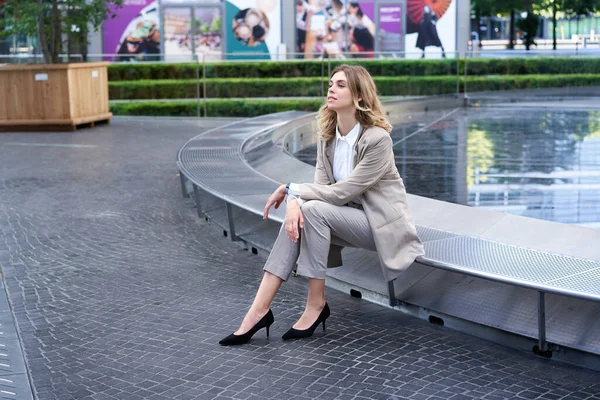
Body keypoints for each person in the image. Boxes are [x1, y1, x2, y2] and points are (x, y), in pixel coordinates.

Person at [219, 65, 424, 346]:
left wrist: (293, 191)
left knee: (312, 210)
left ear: (360, 97)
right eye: (330, 83)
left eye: (340, 85)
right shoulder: (327, 137)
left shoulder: (377, 139)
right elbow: (322, 190)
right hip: (341, 218)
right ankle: (258, 310)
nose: (331, 89)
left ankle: (315, 306)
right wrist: (294, 201)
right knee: (307, 213)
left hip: (380, 225)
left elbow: (342, 192)